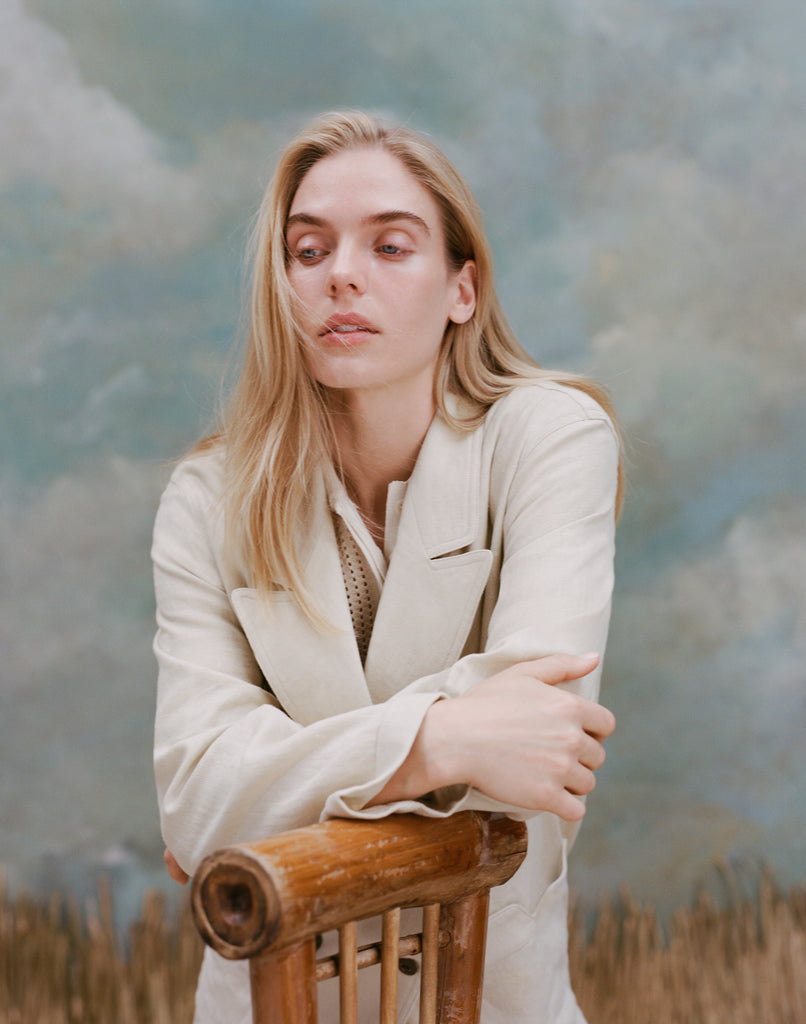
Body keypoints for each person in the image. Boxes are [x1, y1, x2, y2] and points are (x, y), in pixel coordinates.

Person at [152, 110, 621, 1024]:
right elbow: (196, 803)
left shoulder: (552, 436)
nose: (342, 275)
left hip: (488, 999)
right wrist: (443, 743)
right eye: (308, 250)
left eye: (391, 246)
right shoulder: (207, 497)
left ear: (462, 290)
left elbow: (539, 746)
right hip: (268, 999)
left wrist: (266, 794)